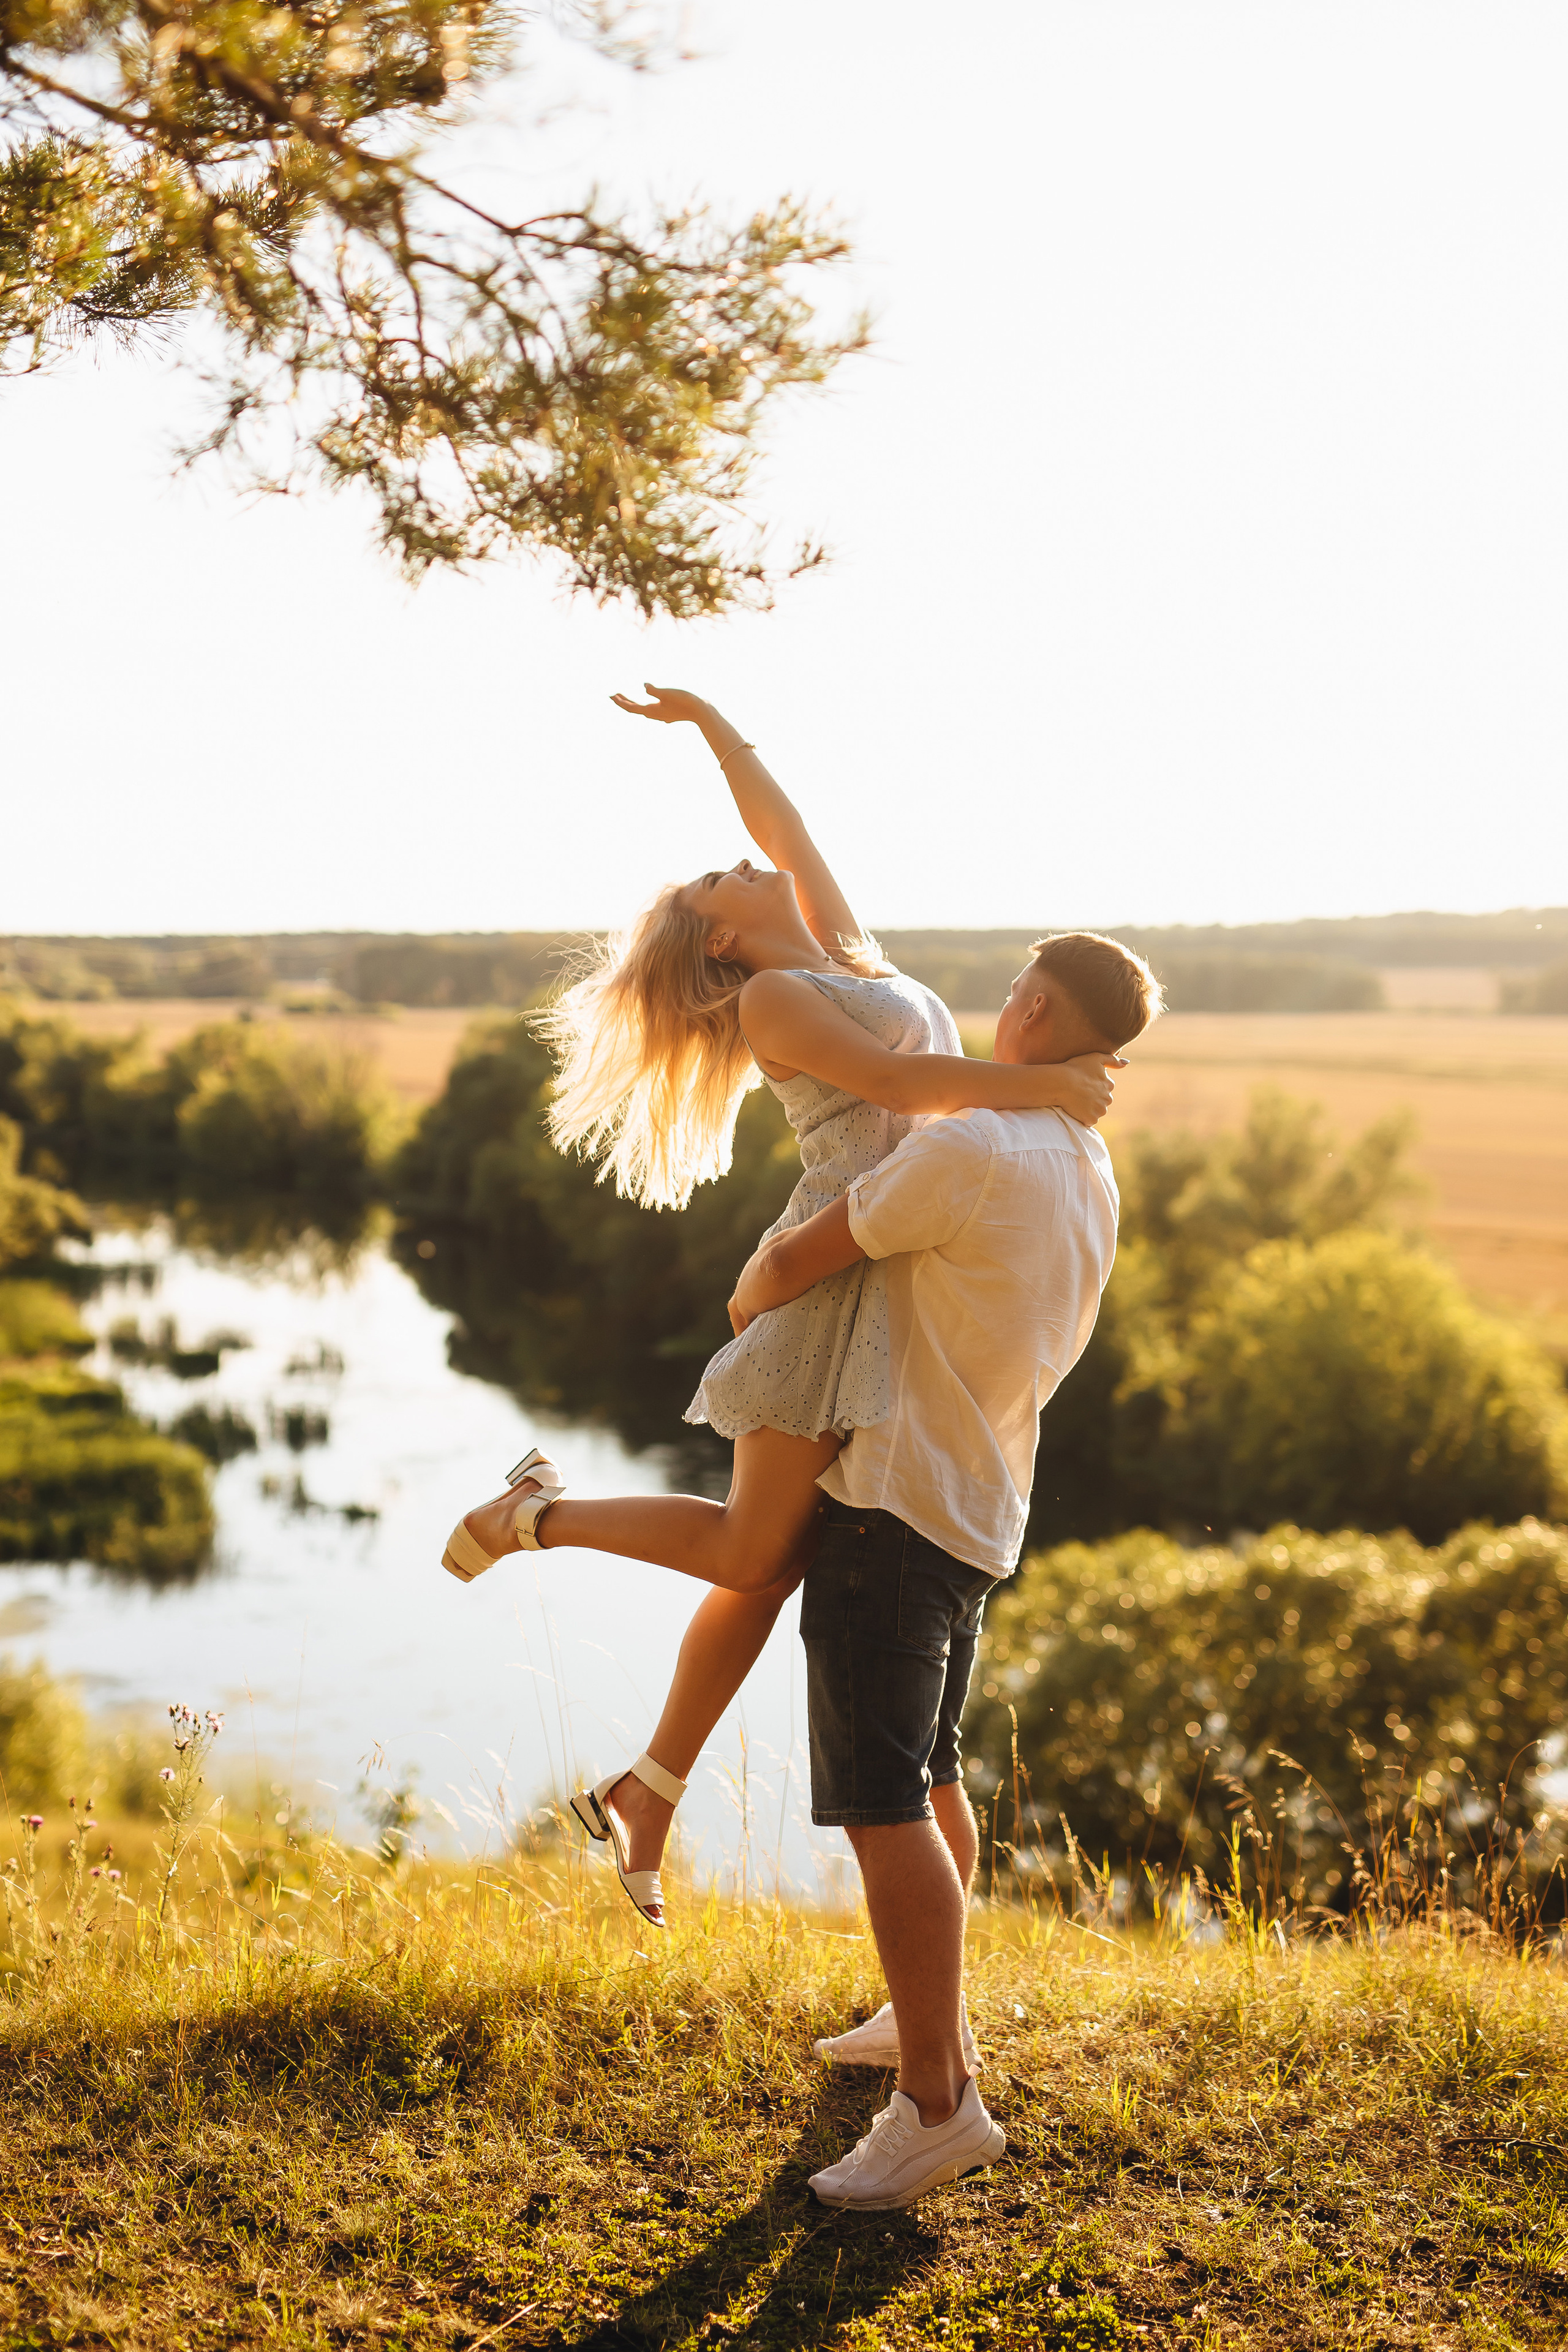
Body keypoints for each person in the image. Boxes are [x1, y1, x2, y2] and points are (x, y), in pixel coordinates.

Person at [441, 687, 1121, 1925]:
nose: (747, 864)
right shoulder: (770, 998)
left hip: (888, 1273)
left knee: (774, 1567)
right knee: (755, 1553)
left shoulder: (848, 954)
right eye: (721, 879)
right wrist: (1051, 1089)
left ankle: (647, 1792)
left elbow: (787, 829)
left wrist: (714, 730)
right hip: (824, 1277)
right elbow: (899, 1085)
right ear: (721, 942)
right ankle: (533, 1516)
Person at [726, 927, 1162, 2209]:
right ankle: (926, 2024)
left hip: (894, 1503)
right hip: (980, 1502)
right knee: (928, 1773)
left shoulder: (972, 1146)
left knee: (881, 1804)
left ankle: (935, 2105)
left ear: (1038, 1011)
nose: (1001, 1006)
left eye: (1017, 993)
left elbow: (801, 1260)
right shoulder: (1085, 1160)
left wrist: (746, 1306)